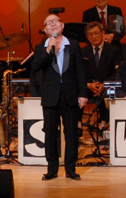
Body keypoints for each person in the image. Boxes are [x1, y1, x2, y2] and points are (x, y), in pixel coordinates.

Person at [29, 13, 89, 180]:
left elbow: (80, 71)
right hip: (50, 96)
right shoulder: (41, 47)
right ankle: (52, 169)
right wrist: (48, 49)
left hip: (70, 95)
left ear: (62, 25)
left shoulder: (73, 45)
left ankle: (71, 169)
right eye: (48, 23)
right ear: (44, 30)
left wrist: (83, 93)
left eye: (55, 21)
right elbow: (35, 67)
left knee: (71, 133)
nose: (52, 24)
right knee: (50, 134)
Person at [81, 21, 123, 125]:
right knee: (76, 93)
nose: (94, 37)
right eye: (90, 34)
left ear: (103, 33)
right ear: (87, 37)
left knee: (110, 94)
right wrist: (89, 85)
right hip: (89, 87)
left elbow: (117, 73)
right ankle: (78, 124)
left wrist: (104, 85)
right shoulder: (82, 52)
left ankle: (106, 123)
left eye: (96, 33)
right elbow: (79, 73)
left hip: (107, 86)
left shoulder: (114, 50)